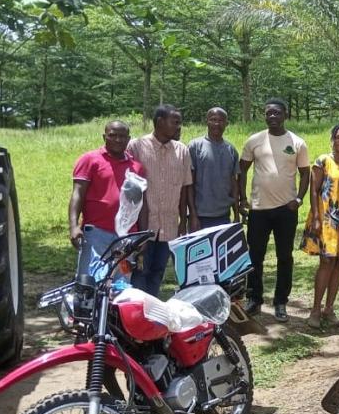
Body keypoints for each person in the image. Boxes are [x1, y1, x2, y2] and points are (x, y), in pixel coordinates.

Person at [239, 98, 309, 323]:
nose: (272, 116)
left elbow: (305, 173)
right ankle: (254, 298)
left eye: (277, 113)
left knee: (284, 256)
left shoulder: (297, 142)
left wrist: (299, 199)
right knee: (255, 256)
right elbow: (242, 170)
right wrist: (242, 198)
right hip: (259, 209)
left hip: (286, 209)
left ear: (285, 115)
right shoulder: (254, 140)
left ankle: (280, 301)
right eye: (268, 113)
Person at [127, 104, 195, 297]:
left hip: (169, 224)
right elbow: (129, 187)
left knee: (157, 272)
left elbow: (184, 188)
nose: (179, 127)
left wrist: (184, 220)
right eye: (175, 122)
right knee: (139, 270)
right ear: (160, 122)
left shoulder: (182, 150)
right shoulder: (136, 147)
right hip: (143, 225)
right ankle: (139, 309)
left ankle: (152, 307)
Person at [69, 120, 147, 279]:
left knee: (121, 283)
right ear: (104, 137)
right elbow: (77, 194)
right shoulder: (89, 160)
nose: (118, 139)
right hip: (97, 233)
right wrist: (73, 226)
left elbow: (142, 204)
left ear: (128, 139)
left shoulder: (136, 167)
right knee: (89, 282)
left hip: (126, 236)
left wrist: (142, 235)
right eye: (113, 135)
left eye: (122, 136)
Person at [300, 124, 339, 329]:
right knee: (326, 262)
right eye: (338, 137)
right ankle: (315, 310)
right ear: (333, 140)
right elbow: (314, 191)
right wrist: (316, 217)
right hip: (326, 218)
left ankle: (329, 308)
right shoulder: (323, 161)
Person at [188, 107, 241, 228]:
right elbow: (189, 184)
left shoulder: (231, 150)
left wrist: (236, 214)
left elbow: (234, 184)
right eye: (213, 119)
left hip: (223, 215)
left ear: (227, 123)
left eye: (221, 120)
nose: (217, 123)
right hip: (200, 215)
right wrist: (192, 214)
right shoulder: (195, 146)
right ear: (207, 121)